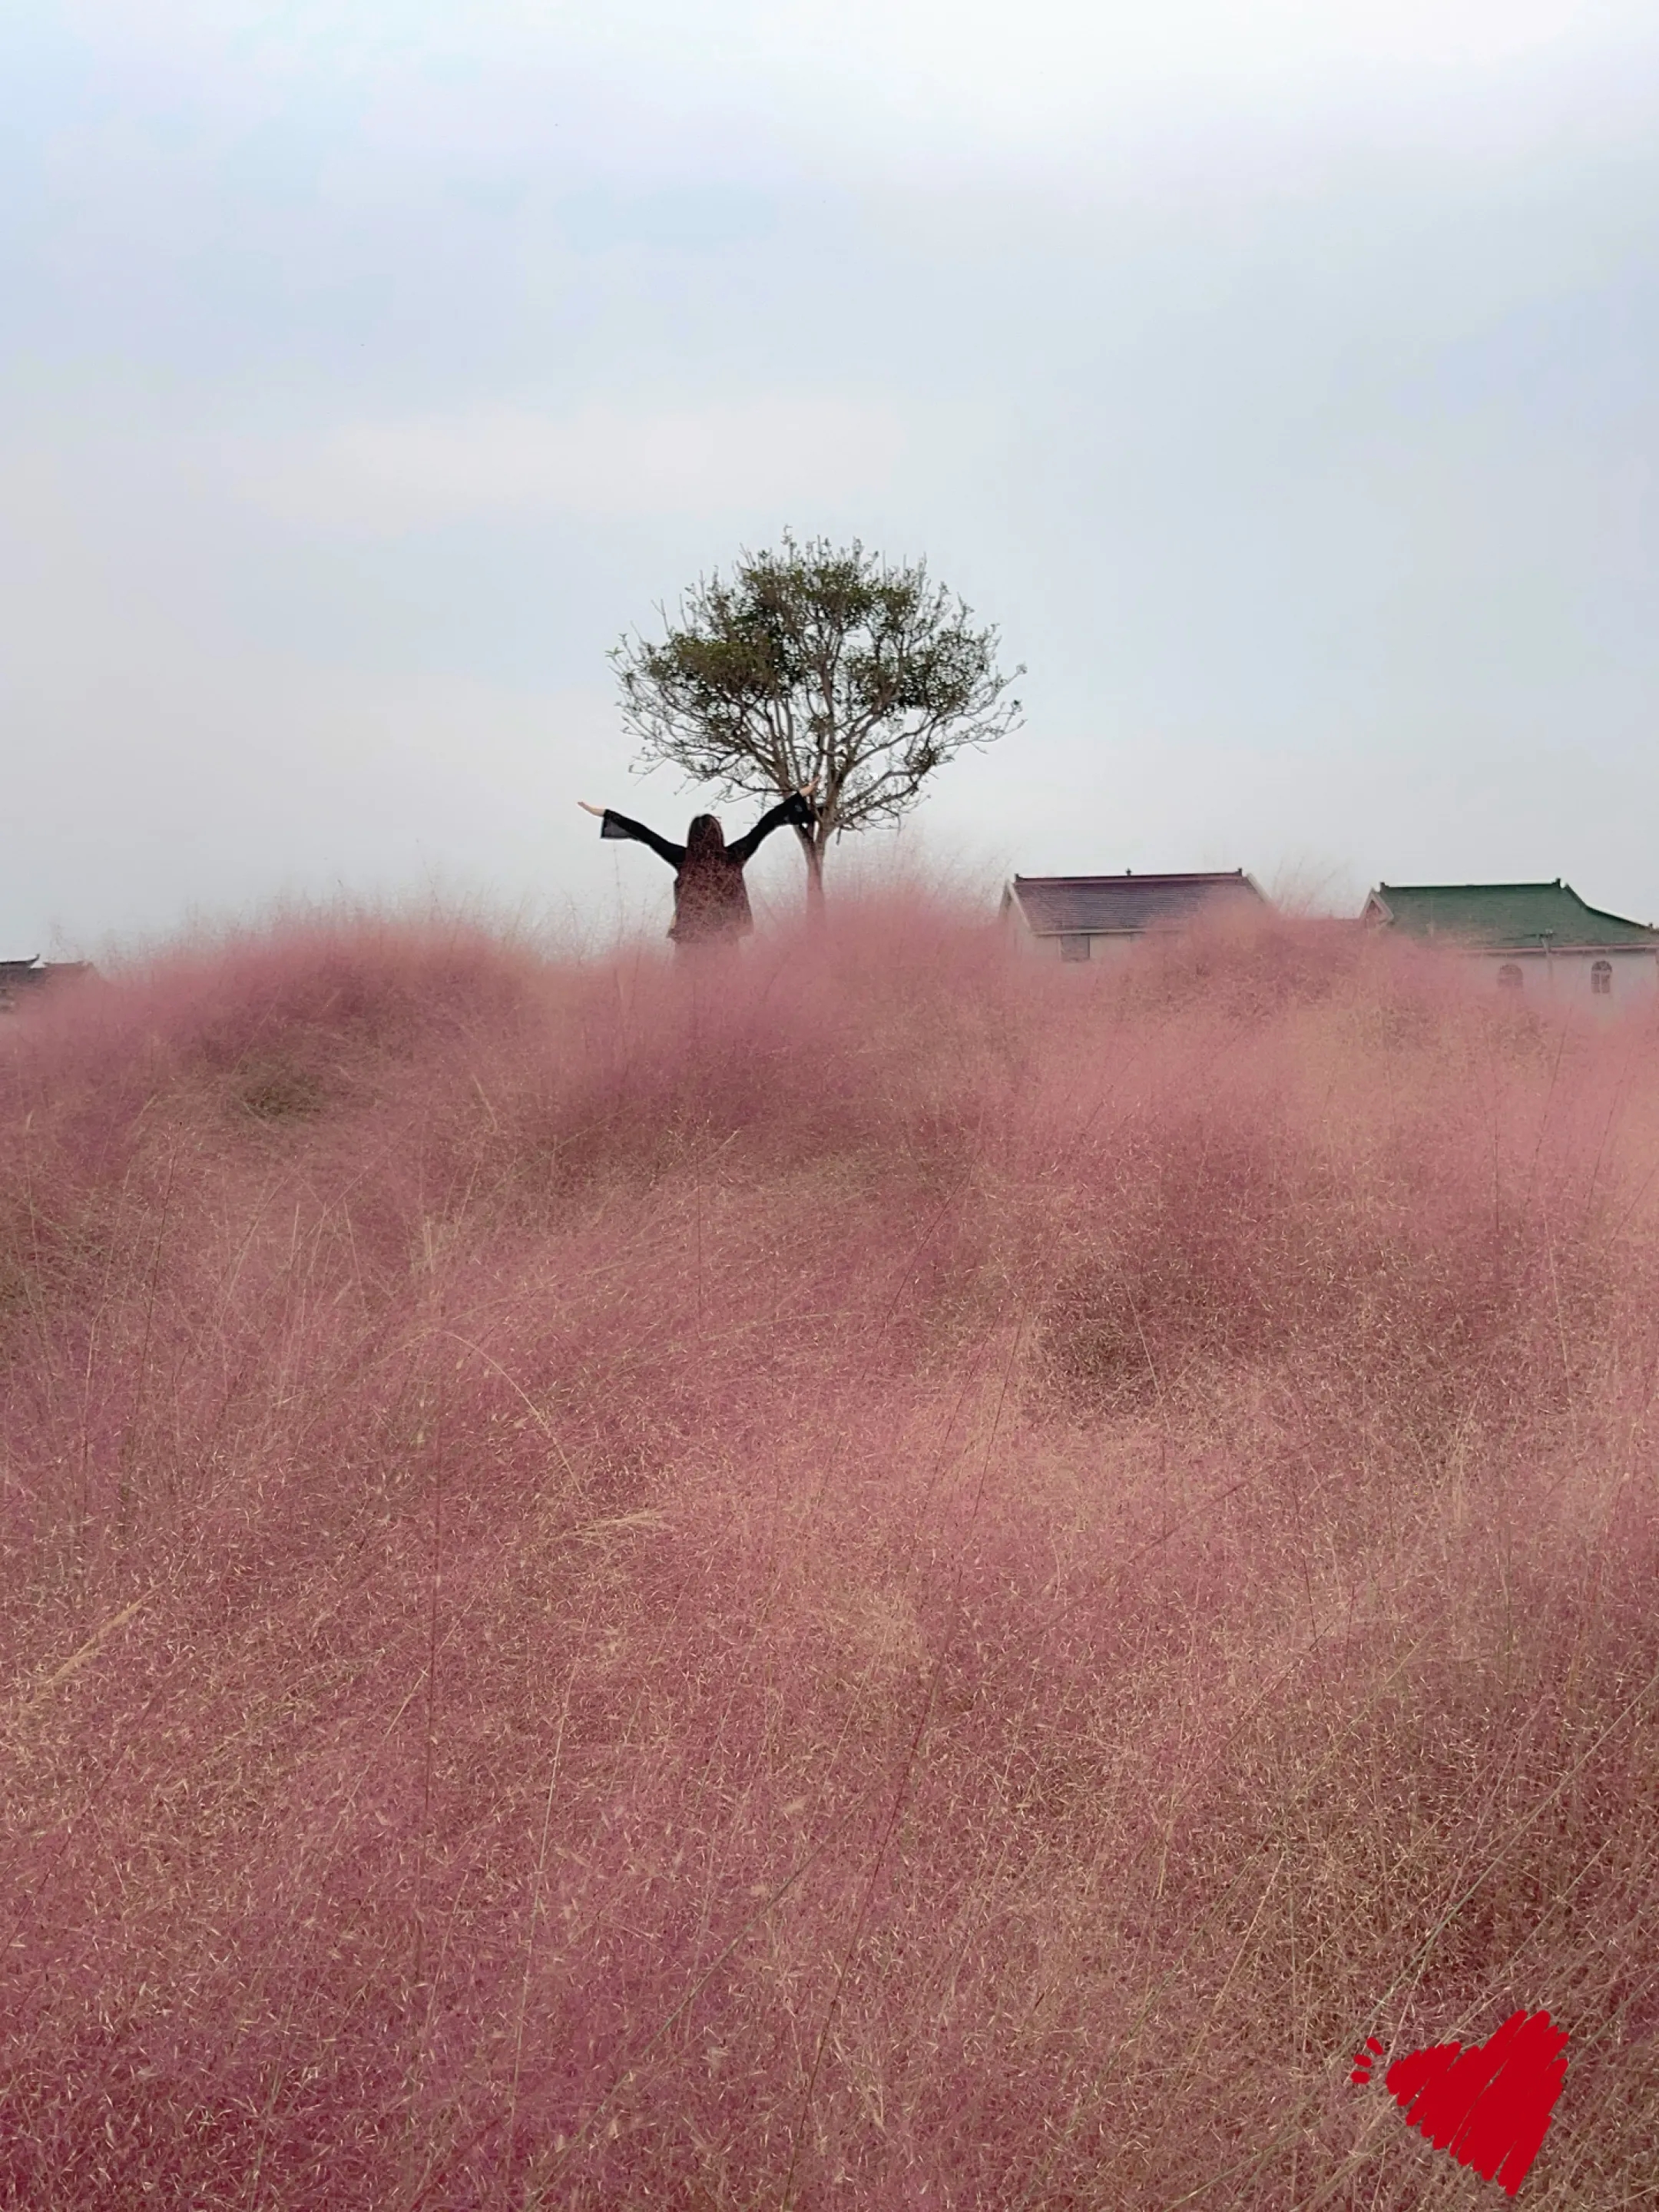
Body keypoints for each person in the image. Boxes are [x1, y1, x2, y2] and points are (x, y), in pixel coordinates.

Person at [579, 786, 819, 945]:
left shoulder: (683, 859)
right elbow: (767, 823)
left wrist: (604, 813)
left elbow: (644, 834)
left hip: (690, 942)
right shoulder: (734, 855)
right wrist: (800, 794)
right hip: (726, 940)